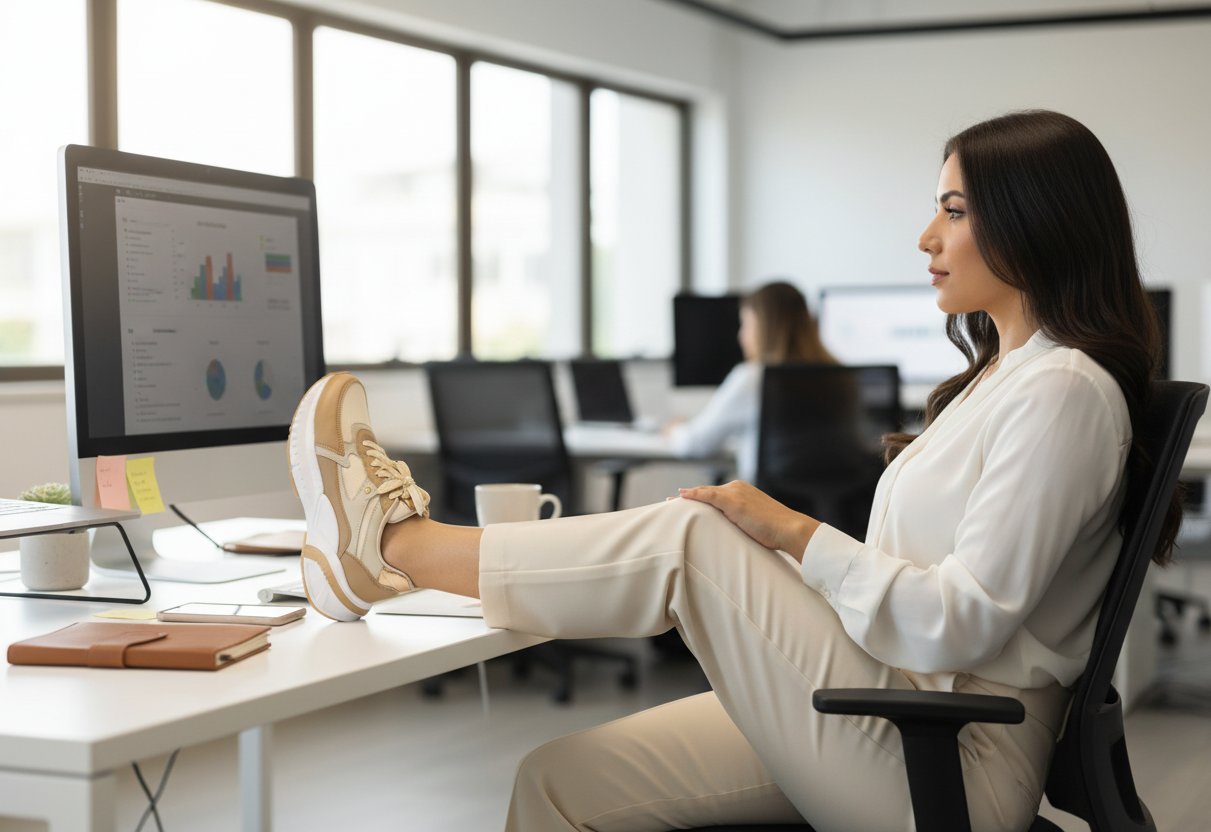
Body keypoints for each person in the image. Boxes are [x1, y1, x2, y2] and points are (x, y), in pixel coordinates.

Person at [286, 110, 1178, 832]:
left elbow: (961, 621)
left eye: (952, 210)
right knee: (556, 781)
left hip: (951, 753)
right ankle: (395, 557)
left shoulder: (1065, 390)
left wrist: (793, 534)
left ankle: (395, 548)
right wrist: (790, 556)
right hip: (889, 698)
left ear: (1035, 222)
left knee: (691, 535)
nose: (925, 236)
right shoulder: (1006, 377)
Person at [666, 281, 837, 483]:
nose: (741, 336)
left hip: (765, 507)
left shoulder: (753, 377)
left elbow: (695, 443)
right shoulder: (838, 374)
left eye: (745, 324)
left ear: (764, 327)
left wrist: (674, 430)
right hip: (825, 510)